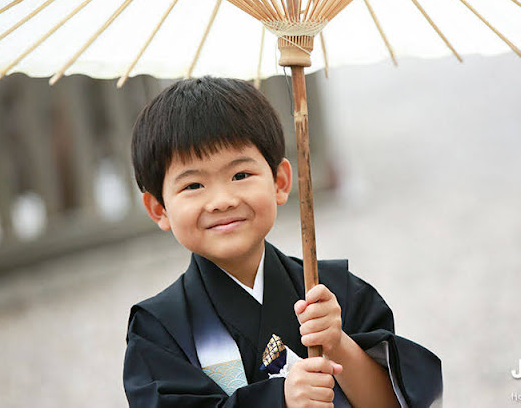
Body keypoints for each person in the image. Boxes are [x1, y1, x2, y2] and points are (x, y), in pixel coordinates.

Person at [123, 77, 442, 408]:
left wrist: (337, 342)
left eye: (240, 176)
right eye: (193, 185)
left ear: (280, 181)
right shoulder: (159, 328)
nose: (221, 200)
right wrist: (280, 400)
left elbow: (393, 403)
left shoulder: (333, 292)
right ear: (158, 209)